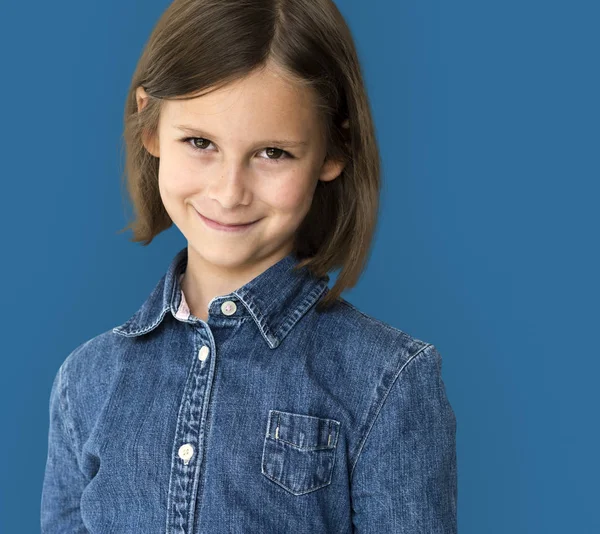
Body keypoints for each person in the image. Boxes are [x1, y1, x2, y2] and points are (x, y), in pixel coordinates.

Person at [40, 0, 457, 532]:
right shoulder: (86, 383)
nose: (229, 191)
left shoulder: (389, 383)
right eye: (200, 143)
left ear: (334, 148)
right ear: (149, 126)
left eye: (273, 153)